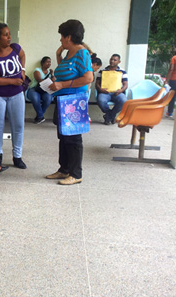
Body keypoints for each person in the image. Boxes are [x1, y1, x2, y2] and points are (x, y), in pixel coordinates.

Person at [47, 20, 93, 185]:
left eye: (61, 36)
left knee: (73, 139)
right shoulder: (69, 53)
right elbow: (68, 73)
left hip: (73, 101)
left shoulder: (82, 53)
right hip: (63, 99)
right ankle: (64, 170)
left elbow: (88, 78)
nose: (60, 40)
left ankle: (75, 173)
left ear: (69, 37)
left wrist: (61, 85)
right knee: (64, 137)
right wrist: (59, 56)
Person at [0, 23, 27, 170]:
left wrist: (22, 69)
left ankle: (17, 156)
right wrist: (12, 81)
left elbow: (22, 55)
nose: (9, 37)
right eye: (5, 35)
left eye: (9, 34)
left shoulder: (15, 48)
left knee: (18, 125)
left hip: (16, 94)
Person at [95, 54, 128, 125]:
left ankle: (108, 116)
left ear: (119, 62)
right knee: (100, 100)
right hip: (105, 93)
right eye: (111, 59)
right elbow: (97, 83)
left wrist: (121, 90)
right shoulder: (102, 71)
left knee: (124, 100)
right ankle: (111, 116)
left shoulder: (122, 71)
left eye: (115, 60)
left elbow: (125, 85)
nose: (112, 61)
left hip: (117, 93)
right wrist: (100, 89)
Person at [26, 56, 54, 124]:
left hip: (45, 90)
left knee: (48, 98)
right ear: (42, 63)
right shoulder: (37, 70)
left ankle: (39, 117)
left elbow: (53, 81)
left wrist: (52, 74)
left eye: (50, 62)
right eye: (47, 62)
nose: (49, 63)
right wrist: (49, 81)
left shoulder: (49, 72)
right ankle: (40, 116)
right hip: (34, 88)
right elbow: (40, 80)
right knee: (35, 98)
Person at [164, 52, 176, 118]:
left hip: (174, 80)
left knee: (172, 96)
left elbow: (171, 69)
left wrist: (167, 80)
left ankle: (170, 113)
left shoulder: (174, 58)